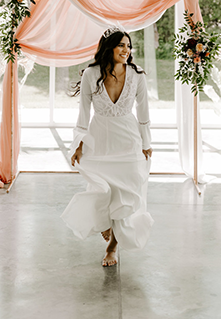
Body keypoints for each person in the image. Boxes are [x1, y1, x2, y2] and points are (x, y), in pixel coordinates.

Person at [61, 28, 154, 267]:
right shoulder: (91, 74)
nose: (126, 50)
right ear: (109, 47)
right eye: (121, 45)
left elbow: (143, 113)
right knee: (103, 190)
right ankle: (104, 221)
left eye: (128, 46)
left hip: (128, 139)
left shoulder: (137, 75)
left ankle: (112, 246)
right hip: (100, 139)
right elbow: (83, 112)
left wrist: (146, 143)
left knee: (127, 192)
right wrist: (78, 143)